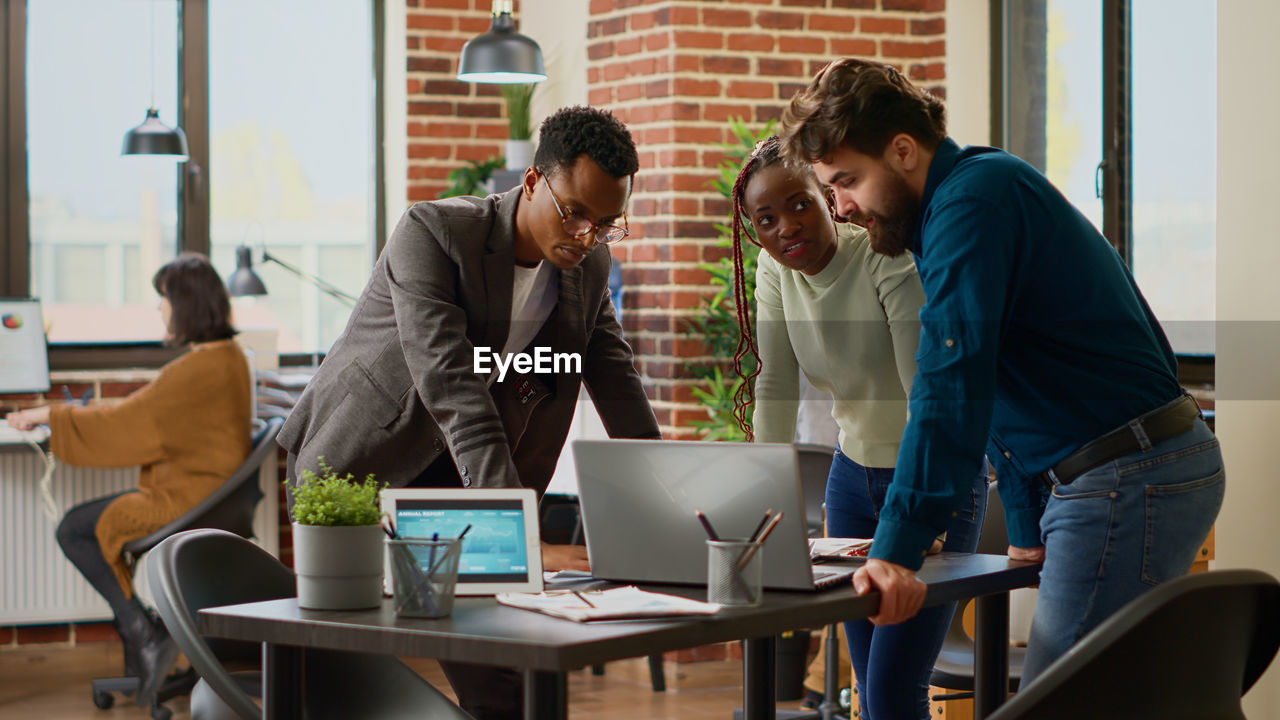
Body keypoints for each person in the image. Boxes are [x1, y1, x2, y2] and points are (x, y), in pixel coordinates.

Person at [777, 57, 1224, 685]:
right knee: (1105, 695)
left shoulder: (970, 203)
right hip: (1132, 467)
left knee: (1060, 701)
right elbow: (995, 375)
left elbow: (951, 380)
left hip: (1128, 474)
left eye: (847, 180)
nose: (841, 206)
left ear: (903, 150)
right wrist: (1023, 518)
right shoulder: (959, 202)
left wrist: (897, 550)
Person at [277, 105, 661, 719]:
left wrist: (663, 494)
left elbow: (613, 375)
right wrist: (510, 525)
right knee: (336, 673)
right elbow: (453, 387)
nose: (587, 235)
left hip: (460, 478)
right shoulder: (433, 233)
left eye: (607, 224)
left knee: (504, 676)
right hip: (366, 462)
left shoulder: (589, 264)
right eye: (576, 214)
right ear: (533, 181)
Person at [728, 136, 987, 719]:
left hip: (929, 474)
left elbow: (928, 390)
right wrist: (762, 508)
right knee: (871, 688)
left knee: (896, 688)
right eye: (766, 220)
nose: (786, 228)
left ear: (825, 196)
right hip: (851, 480)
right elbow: (772, 386)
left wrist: (923, 507)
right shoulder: (774, 271)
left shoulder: (880, 254)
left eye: (799, 204)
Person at [6, 253, 251, 705]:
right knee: (84, 523)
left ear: (187, 305)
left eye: (164, 300)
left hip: (186, 498)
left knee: (75, 529)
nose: (160, 309)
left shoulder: (195, 369)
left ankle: (145, 631)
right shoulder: (229, 357)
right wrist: (63, 417)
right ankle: (147, 634)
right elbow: (139, 417)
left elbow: (126, 425)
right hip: (209, 494)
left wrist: (49, 417)